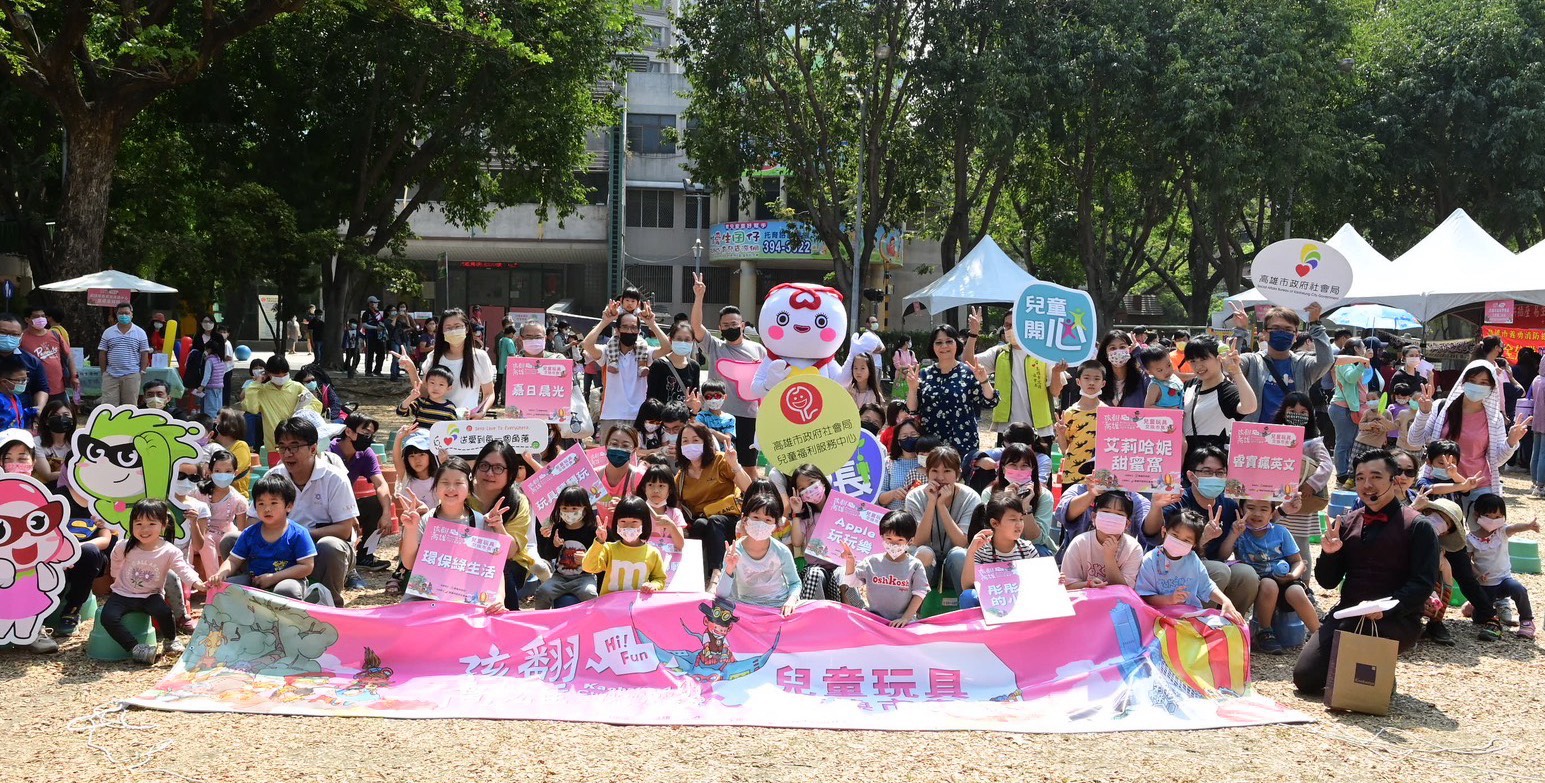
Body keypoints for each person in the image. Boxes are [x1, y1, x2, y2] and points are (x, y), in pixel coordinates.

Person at [1292, 450, 1440, 694]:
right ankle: (1366, 670)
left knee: (1362, 687)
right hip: (1349, 613)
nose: (1367, 484)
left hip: (1396, 618)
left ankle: (1378, 672)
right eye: (1360, 478)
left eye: (1376, 477)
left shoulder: (1418, 526)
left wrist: (1387, 608)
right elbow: (1327, 582)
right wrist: (1330, 554)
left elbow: (1423, 583)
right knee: (1305, 678)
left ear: (1394, 480)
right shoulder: (1348, 522)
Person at [241, 418, 357, 605]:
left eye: (294, 447)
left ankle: (330, 604)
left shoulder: (335, 478)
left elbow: (344, 529)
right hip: (277, 545)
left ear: (313, 449)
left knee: (330, 546)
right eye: (282, 447)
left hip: (318, 546)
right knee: (232, 539)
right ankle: (252, 597)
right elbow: (253, 520)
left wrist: (299, 536)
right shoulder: (274, 476)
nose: (287, 454)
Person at [1410, 360, 1530, 510]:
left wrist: (1511, 441)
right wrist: (1423, 413)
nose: (1477, 386)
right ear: (1463, 382)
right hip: (1441, 483)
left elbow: (1497, 460)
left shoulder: (1494, 418)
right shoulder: (1442, 408)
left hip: (1478, 485)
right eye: (1472, 381)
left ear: (1492, 387)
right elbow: (1414, 441)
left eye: (1483, 382)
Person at [1157, 446, 1259, 613]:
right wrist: (1203, 538)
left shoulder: (1229, 505)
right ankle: (1196, 621)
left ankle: (1230, 622)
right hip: (1176, 566)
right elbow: (1169, 552)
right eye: (1207, 472)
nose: (1214, 478)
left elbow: (1222, 556)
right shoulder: (1177, 502)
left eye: (1220, 473)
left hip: (1212, 564)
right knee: (1219, 570)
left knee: (1246, 574)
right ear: (1191, 476)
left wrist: (1233, 534)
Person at [102, 499, 206, 664]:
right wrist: (115, 575)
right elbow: (115, 558)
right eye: (138, 524)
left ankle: (170, 641)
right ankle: (136, 648)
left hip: (151, 595)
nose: (144, 529)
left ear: (163, 525)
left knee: (164, 612)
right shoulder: (125, 546)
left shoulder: (169, 550)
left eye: (151, 523)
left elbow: (183, 569)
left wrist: (198, 583)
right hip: (122, 594)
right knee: (107, 617)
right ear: (131, 525)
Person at [691, 272, 767, 470]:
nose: (730, 327)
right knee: (716, 465)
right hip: (718, 416)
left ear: (742, 325)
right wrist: (699, 297)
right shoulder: (714, 346)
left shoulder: (759, 350)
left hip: (749, 416)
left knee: (748, 467)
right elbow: (696, 326)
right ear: (720, 328)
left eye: (734, 324)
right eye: (725, 325)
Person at [1224, 498, 1321, 653]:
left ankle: (1319, 634)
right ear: (1241, 510)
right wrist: (1233, 535)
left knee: (1296, 591)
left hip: (1285, 578)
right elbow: (1223, 555)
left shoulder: (1280, 532)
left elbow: (1298, 561)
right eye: (1250, 508)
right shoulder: (1240, 533)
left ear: (1272, 513)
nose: (1257, 513)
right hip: (1260, 582)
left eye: (1264, 509)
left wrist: (1292, 575)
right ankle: (1265, 631)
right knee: (1269, 584)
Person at [209, 473, 316, 603]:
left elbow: (306, 566)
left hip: (289, 581)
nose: (267, 509)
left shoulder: (299, 533)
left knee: (286, 590)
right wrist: (220, 574)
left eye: (273, 503)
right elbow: (233, 560)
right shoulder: (250, 533)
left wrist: (273, 577)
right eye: (261, 503)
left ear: (289, 506)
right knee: (226, 587)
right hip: (255, 580)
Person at [905, 323, 998, 465]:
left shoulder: (968, 372)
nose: (944, 346)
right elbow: (912, 410)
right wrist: (912, 389)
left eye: (949, 341)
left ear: (957, 343)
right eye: (939, 342)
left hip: (963, 442)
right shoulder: (925, 374)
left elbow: (990, 402)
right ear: (932, 346)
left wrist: (984, 381)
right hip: (931, 444)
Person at [1227, 302, 1332, 424]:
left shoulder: (1303, 364)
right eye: (1276, 328)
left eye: (1288, 329)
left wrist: (1315, 324)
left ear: (1296, 336)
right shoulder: (1252, 361)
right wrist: (1240, 330)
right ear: (1265, 334)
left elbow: (1326, 361)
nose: (1282, 333)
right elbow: (1231, 365)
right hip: (1255, 432)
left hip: (1292, 433)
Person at [1136, 509, 1246, 625]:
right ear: (1164, 531)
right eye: (1175, 535)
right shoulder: (1150, 560)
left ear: (1194, 544)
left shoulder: (1192, 559)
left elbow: (1207, 586)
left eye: (1186, 540)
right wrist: (1170, 599)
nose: (1179, 542)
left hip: (1190, 617)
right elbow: (1145, 596)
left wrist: (1225, 601)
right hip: (1159, 619)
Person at [469, 441, 544, 610]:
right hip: (466, 557)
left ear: (510, 474)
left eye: (498, 468)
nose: (489, 473)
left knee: (500, 567)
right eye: (484, 466)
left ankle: (506, 614)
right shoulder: (462, 493)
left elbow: (510, 552)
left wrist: (498, 527)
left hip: (510, 562)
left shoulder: (518, 501)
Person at [676, 421, 753, 583]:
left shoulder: (720, 461)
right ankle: (695, 576)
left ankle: (717, 576)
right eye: (685, 441)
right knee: (699, 525)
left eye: (695, 440)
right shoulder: (681, 476)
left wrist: (735, 464)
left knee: (714, 522)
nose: (690, 445)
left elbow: (748, 488)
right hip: (702, 519)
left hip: (730, 517)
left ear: (705, 442)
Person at [584, 300, 669, 435]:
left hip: (638, 416)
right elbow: (587, 345)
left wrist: (652, 323)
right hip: (611, 415)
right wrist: (605, 321)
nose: (629, 331)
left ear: (639, 331)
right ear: (617, 330)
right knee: (609, 449)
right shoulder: (607, 351)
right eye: (625, 327)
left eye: (634, 327)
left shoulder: (645, 353)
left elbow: (667, 348)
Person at [902, 445, 979, 591]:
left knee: (960, 555)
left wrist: (942, 506)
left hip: (954, 565)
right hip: (927, 563)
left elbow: (962, 542)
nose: (941, 477)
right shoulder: (914, 497)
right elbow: (918, 541)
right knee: (924, 552)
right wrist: (931, 503)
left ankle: (967, 602)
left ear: (958, 474)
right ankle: (916, 605)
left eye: (947, 471)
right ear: (927, 472)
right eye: (935, 471)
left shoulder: (970, 497)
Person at [1273, 393, 1334, 573]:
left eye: (1303, 412)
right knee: (1275, 539)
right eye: (1292, 410)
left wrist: (1312, 484)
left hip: (1302, 505)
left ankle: (1303, 580)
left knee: (1300, 545)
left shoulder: (1313, 443)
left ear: (1310, 415)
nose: (1297, 415)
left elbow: (1327, 465)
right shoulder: (1273, 437)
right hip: (1277, 502)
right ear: (1283, 412)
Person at [401, 309, 497, 417]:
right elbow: (423, 393)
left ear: (466, 329)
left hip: (465, 421)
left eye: (457, 326)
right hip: (436, 421)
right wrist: (411, 369)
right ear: (442, 331)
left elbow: (489, 393)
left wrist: (481, 412)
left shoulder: (480, 357)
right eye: (448, 328)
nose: (453, 331)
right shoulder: (434, 357)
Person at [718, 492, 802, 616]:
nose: (761, 523)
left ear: (775, 525)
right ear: (744, 519)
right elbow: (721, 594)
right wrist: (729, 569)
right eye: (756, 517)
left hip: (778, 607)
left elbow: (795, 582)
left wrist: (791, 600)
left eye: (768, 520)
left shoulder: (781, 551)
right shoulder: (734, 552)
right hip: (746, 610)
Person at [1466, 493, 1537, 639]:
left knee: (1519, 589)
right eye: (1488, 516)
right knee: (1479, 619)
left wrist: (1528, 526)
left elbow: (1514, 527)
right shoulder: (1471, 539)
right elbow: (1466, 561)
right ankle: (1473, 608)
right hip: (1484, 585)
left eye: (1498, 517)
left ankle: (1527, 621)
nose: (1493, 520)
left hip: (1504, 580)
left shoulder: (1501, 532)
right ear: (1477, 515)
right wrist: (1477, 573)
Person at [840, 510, 929, 626]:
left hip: (902, 623)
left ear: (910, 540)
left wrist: (905, 618)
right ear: (882, 536)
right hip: (872, 619)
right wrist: (850, 562)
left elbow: (920, 593)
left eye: (900, 540)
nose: (894, 544)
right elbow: (851, 582)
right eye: (889, 539)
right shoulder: (871, 562)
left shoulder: (915, 565)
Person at [332, 415, 394, 574]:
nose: (369, 439)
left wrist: (387, 513)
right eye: (365, 433)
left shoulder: (366, 453)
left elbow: (381, 484)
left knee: (377, 504)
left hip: (349, 506)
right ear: (349, 432)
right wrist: (349, 514)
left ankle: (365, 555)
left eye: (371, 435)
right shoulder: (329, 452)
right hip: (327, 510)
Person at [958, 494, 1040, 610]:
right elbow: (967, 587)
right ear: (995, 523)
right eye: (1013, 519)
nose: (1019, 524)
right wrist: (971, 552)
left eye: (1021, 519)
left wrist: (1056, 579)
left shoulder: (1027, 549)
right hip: (991, 605)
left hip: (1022, 604)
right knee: (968, 596)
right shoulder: (981, 549)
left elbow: (1039, 581)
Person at [1181, 336, 1257, 454]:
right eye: (1192, 361)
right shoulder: (1190, 385)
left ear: (1219, 358)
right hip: (1183, 460)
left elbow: (1250, 407)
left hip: (1212, 462)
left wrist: (1236, 371)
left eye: (1203, 359)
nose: (1197, 366)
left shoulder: (1227, 391)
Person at [976, 442, 1055, 554]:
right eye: (1013, 465)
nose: (1019, 470)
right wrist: (1004, 502)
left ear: (1032, 469)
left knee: (1039, 551)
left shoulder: (1044, 496)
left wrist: (1026, 508)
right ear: (1003, 468)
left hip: (1033, 549)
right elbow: (989, 530)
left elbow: (1037, 540)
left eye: (1024, 466)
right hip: (998, 548)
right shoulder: (989, 493)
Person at [583, 496, 668, 595]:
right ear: (616, 523)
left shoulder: (653, 553)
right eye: (623, 521)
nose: (628, 526)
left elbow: (660, 579)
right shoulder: (608, 549)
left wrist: (653, 585)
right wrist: (599, 541)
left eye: (634, 522)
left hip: (637, 603)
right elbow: (588, 567)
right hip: (610, 604)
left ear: (644, 524)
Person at [1059, 491, 1143, 589]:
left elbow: (1126, 590)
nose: (1111, 518)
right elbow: (1066, 585)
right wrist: (1088, 584)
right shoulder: (1079, 543)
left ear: (1127, 524)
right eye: (1106, 512)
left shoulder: (1133, 548)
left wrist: (1109, 558)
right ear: (1094, 517)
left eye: (1119, 514)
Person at [534, 486, 601, 609]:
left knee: (589, 593)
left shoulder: (592, 530)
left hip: (584, 577)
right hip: (559, 577)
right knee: (542, 592)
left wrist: (587, 558)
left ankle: (592, 619)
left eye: (574, 508)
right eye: (564, 508)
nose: (569, 512)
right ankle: (541, 618)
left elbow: (600, 557)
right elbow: (547, 554)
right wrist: (554, 544)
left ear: (584, 508)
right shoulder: (557, 528)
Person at [241, 356, 323, 455]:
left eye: (284, 374)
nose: (281, 378)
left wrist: (302, 410)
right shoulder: (261, 390)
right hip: (274, 445)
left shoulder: (297, 387)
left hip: (298, 442)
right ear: (268, 374)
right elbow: (252, 408)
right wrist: (256, 383)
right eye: (277, 375)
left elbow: (317, 405)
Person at [193, 449, 249, 574]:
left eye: (228, 471)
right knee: (206, 539)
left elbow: (242, 531)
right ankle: (212, 578)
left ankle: (224, 576)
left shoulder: (238, 500)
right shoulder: (199, 493)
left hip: (225, 534)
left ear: (235, 472)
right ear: (210, 472)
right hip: (202, 535)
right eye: (218, 471)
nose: (222, 475)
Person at [1327, 338, 1373, 483]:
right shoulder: (1344, 363)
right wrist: (1361, 362)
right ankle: (1341, 474)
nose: (1365, 349)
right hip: (1342, 407)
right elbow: (1351, 378)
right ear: (1356, 349)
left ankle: (1349, 471)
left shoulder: (1356, 363)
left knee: (1353, 442)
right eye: (1363, 347)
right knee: (1344, 442)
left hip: (1354, 408)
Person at [1056, 360, 1106, 485]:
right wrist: (1061, 434)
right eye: (1086, 378)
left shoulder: (1108, 413)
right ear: (1078, 381)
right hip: (1073, 475)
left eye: (1096, 379)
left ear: (1103, 383)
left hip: (1100, 477)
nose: (1091, 382)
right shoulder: (1069, 413)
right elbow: (1064, 449)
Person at [97, 302, 152, 406]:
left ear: (132, 314)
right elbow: (102, 352)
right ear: (116, 315)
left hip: (132, 375)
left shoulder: (140, 332)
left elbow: (144, 353)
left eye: (126, 313)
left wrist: (142, 371)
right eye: (120, 313)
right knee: (109, 406)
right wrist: (104, 372)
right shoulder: (108, 332)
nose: (124, 316)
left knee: (129, 407)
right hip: (111, 375)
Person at [21, 307, 73, 405]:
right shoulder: (21, 338)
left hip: (58, 388)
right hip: (34, 389)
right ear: (27, 319)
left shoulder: (54, 334)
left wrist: (74, 376)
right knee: (38, 411)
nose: (40, 319)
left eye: (43, 316)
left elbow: (69, 355)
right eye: (36, 316)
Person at [647, 320, 701, 405]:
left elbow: (695, 398)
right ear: (671, 340)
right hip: (662, 413)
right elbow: (651, 398)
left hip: (684, 413)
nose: (683, 343)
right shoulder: (658, 365)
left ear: (693, 341)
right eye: (679, 339)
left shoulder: (694, 366)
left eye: (687, 340)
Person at [877, 418, 925, 511]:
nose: (909, 438)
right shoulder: (889, 462)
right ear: (898, 441)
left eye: (913, 434)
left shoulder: (928, 461)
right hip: (896, 515)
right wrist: (893, 494)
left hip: (922, 516)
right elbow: (879, 497)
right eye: (904, 436)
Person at [1094, 329, 1148, 408]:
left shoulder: (1142, 379)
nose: (1118, 352)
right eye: (1113, 348)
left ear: (1130, 349)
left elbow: (1153, 372)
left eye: (1122, 347)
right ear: (1105, 353)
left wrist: (1138, 352)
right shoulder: (1099, 380)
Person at [396, 366, 461, 427]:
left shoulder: (450, 408)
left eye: (441, 384)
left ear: (449, 388)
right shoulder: (421, 402)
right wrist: (411, 397)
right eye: (432, 383)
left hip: (438, 435)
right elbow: (401, 412)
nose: (436, 388)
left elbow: (453, 427)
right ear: (426, 384)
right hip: (419, 434)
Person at [210, 409, 254, 498]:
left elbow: (229, 472)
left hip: (235, 498)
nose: (213, 423)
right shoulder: (211, 445)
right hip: (213, 497)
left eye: (216, 421)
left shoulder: (241, 446)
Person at [193, 328, 230, 416]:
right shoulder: (220, 359)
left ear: (209, 350)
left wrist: (201, 386)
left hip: (211, 387)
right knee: (218, 405)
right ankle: (219, 419)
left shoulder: (210, 361)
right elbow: (223, 371)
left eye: (206, 349)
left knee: (210, 407)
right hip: (220, 385)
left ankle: (211, 421)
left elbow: (207, 375)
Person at [692, 380, 736, 445]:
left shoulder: (730, 418)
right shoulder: (701, 416)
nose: (713, 399)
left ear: (725, 397)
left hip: (724, 451)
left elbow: (727, 439)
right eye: (708, 397)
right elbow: (693, 429)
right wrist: (694, 410)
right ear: (703, 398)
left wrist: (711, 431)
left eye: (717, 396)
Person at [1141, 345, 1184, 410]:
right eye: (1160, 370)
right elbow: (1148, 406)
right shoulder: (1155, 386)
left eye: (1169, 365)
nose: (1167, 371)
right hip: (1167, 416)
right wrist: (1170, 410)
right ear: (1149, 372)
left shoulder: (1173, 377)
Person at [0, 356, 32, 430]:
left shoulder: (15, 397)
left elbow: (18, 416)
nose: (24, 383)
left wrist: (33, 411)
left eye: (25, 380)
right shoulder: (1, 400)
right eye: (20, 380)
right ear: (4, 382)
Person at [360, 295, 389, 376]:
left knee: (381, 353)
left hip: (379, 336)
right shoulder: (366, 313)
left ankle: (377, 370)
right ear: (370, 304)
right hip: (370, 336)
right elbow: (364, 325)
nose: (377, 304)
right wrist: (375, 328)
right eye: (375, 303)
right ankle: (368, 371)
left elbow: (381, 322)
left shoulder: (378, 313)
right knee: (370, 354)